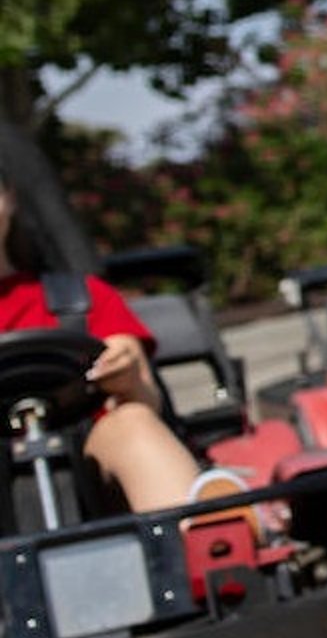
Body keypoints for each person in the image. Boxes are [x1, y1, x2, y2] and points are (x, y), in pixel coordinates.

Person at [0, 177, 228, 518]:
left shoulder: (80, 298)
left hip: (91, 461)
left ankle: (208, 541)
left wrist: (125, 373)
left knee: (133, 420)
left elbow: (145, 396)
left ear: (10, 199)